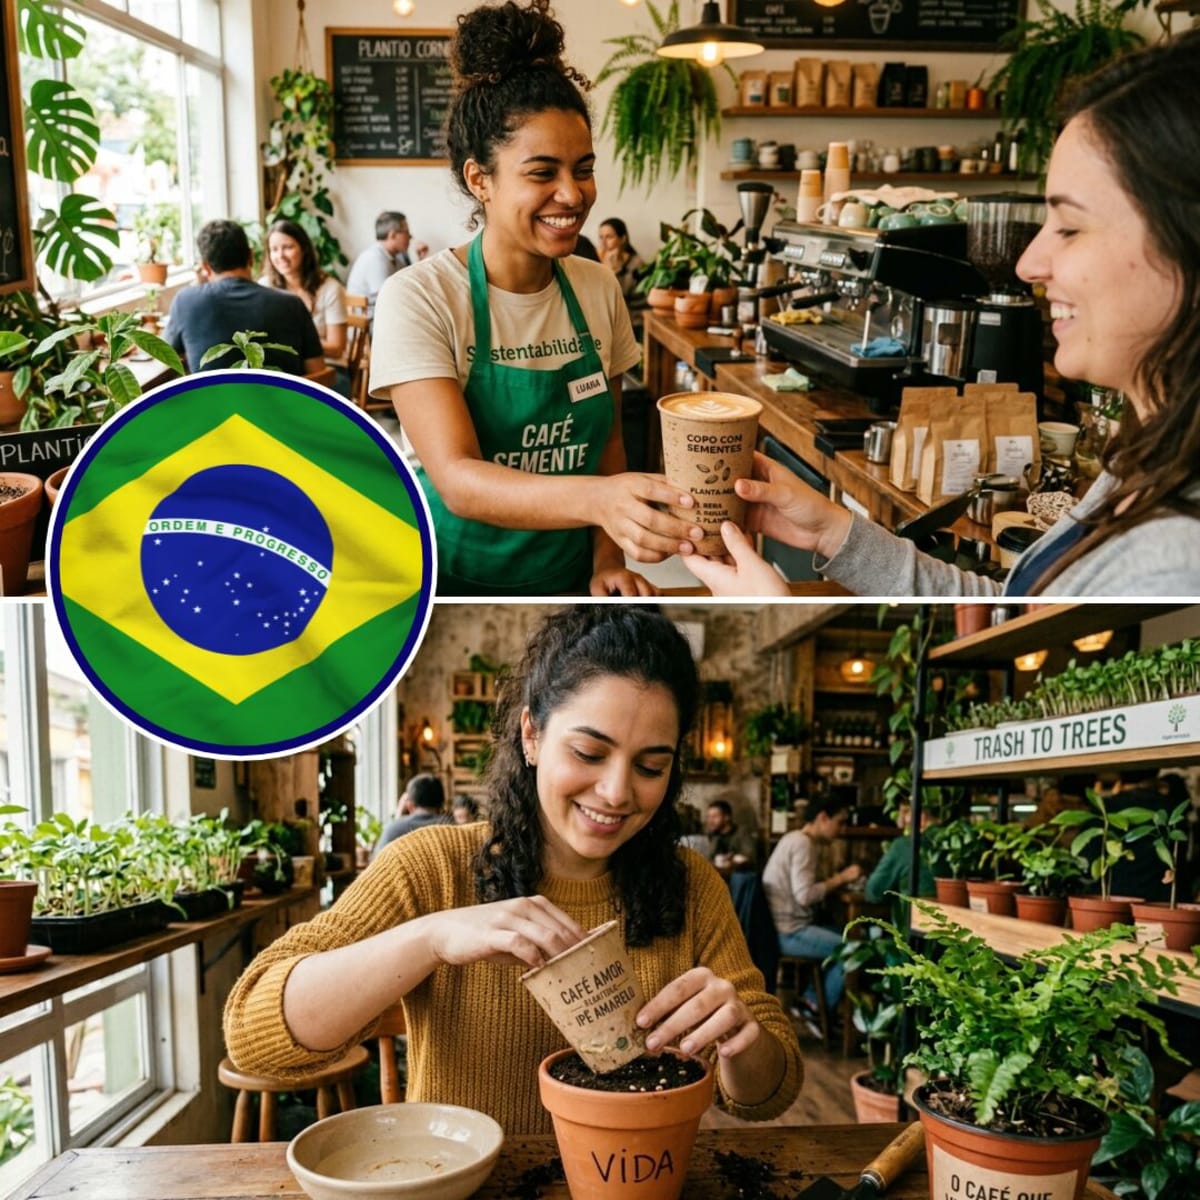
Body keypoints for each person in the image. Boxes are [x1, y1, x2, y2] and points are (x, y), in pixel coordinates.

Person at [223, 606, 803, 1135]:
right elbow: (255, 1037)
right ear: (532, 735)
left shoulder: (692, 885)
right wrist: (432, 937)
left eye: (651, 766)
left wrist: (739, 1040)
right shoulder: (432, 867)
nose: (617, 791)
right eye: (588, 754)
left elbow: (769, 1092)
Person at [683, 31, 1200, 599]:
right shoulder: (1149, 462)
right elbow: (1010, 612)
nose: (1028, 263)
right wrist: (835, 532)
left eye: (1070, 227)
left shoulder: (1174, 558)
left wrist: (769, 609)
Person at [370, 0, 704, 597]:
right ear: (480, 180)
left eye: (584, 168)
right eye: (542, 172)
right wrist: (603, 502)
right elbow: (458, 480)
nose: (572, 194)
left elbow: (606, 444)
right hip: (457, 585)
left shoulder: (597, 285)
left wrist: (607, 560)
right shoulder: (420, 297)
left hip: (572, 577)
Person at [165, 219, 324, 376]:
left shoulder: (185, 301)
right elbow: (317, 372)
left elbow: (166, 357)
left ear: (205, 266)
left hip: (213, 401)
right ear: (251, 256)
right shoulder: (293, 304)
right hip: (282, 402)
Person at [762, 798, 863, 1015]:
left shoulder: (794, 838)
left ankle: (812, 997)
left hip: (777, 928)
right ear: (822, 818)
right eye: (839, 822)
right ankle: (813, 1005)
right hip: (787, 932)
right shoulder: (802, 843)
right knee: (854, 949)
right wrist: (842, 878)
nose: (842, 829)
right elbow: (805, 896)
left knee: (846, 933)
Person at [259, 218, 347, 359]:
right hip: (284, 367)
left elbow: (337, 348)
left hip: (328, 368)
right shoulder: (264, 286)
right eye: (274, 249)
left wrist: (290, 341)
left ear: (304, 249)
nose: (280, 256)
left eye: (287, 247)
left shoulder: (330, 288)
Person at [864, 802, 936, 927]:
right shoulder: (961, 842)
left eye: (906, 811)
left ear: (923, 814)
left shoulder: (905, 845)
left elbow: (873, 892)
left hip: (914, 939)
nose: (901, 822)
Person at [346, 211, 427, 317]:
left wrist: (420, 259)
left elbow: (409, 285)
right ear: (392, 235)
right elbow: (389, 300)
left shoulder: (395, 258)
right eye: (406, 231)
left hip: (382, 315)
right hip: (368, 323)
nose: (411, 236)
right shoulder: (375, 258)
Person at [376, 774, 450, 851]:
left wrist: (398, 815)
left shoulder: (394, 829)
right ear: (442, 801)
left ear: (409, 803)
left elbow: (378, 861)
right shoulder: (451, 827)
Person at [597, 217, 645, 304]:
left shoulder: (636, 264)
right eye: (601, 237)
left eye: (609, 237)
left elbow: (622, 297)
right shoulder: (595, 260)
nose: (603, 242)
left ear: (622, 239)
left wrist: (614, 270)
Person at [703, 799, 758, 871]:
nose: (710, 820)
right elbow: (710, 858)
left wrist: (732, 860)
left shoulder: (742, 832)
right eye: (708, 817)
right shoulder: (713, 835)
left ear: (727, 817)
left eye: (715, 816)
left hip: (739, 874)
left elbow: (750, 857)